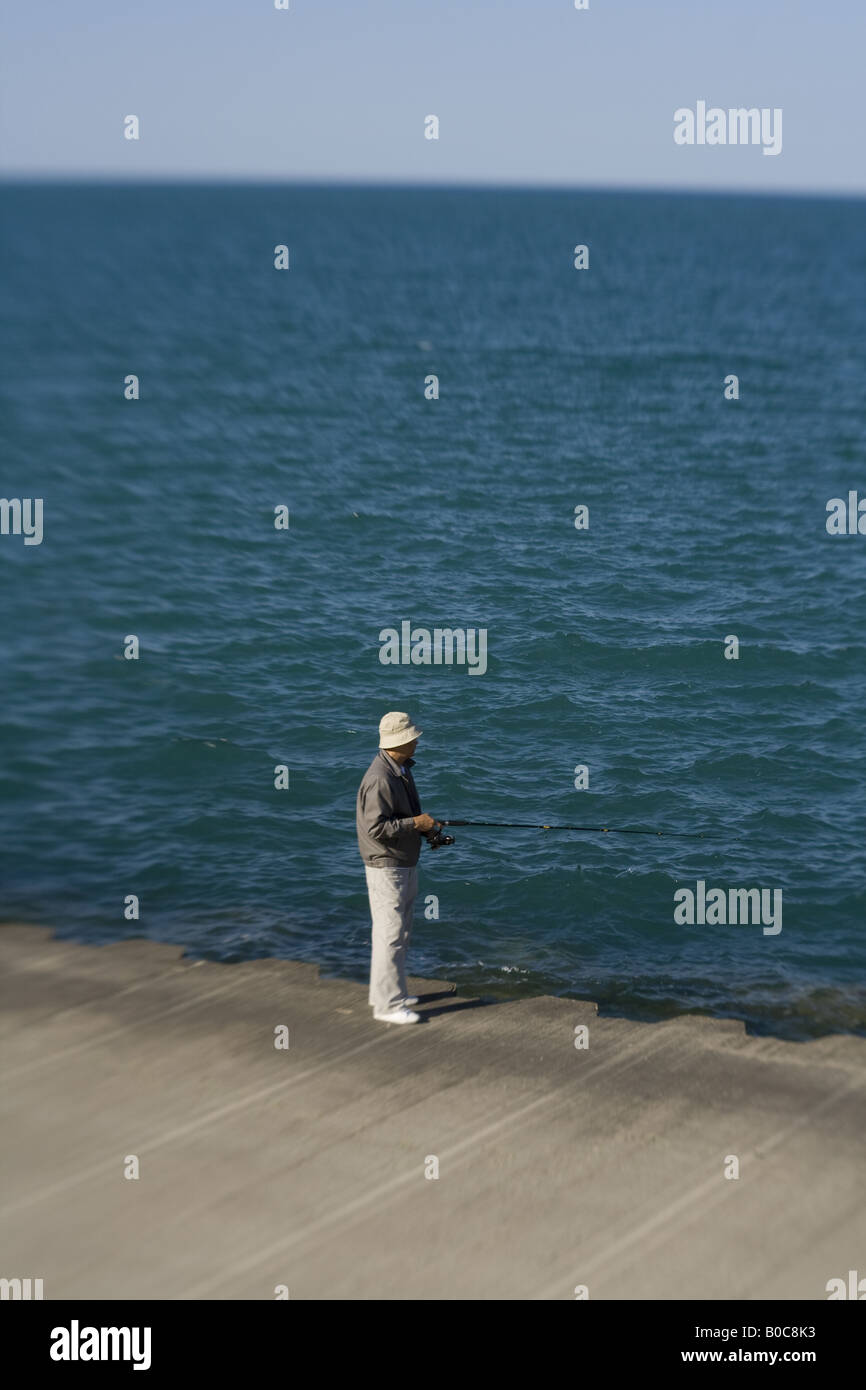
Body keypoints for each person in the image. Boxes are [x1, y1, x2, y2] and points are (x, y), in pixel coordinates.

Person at [356, 711, 436, 1024]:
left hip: (402, 861)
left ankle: (391, 993)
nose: (417, 740)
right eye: (413, 736)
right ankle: (388, 1007)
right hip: (387, 866)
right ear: (400, 741)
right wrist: (415, 823)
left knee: (398, 932)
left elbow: (400, 819)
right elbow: (375, 828)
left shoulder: (399, 769)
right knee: (390, 935)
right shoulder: (380, 777)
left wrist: (425, 828)